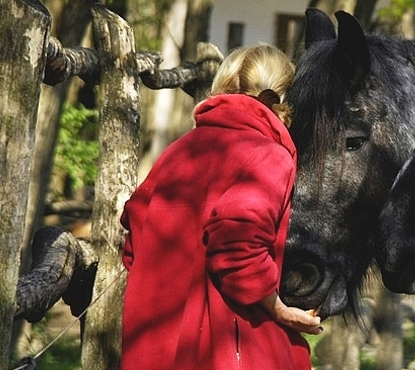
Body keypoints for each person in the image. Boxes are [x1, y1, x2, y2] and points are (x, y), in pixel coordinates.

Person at [119, 43, 321, 370]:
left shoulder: (178, 151)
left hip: (155, 347)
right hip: (230, 350)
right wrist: (278, 308)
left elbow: (133, 245)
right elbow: (238, 247)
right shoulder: (269, 155)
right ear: (286, 101)